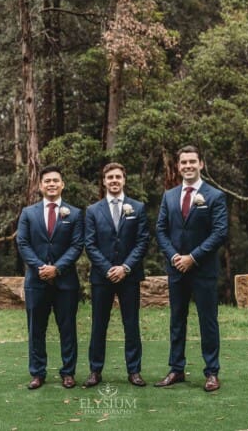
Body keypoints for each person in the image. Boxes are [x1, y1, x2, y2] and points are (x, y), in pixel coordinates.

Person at [155, 145, 228, 392]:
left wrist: (193, 257)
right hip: (176, 269)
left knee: (208, 321)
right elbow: (161, 230)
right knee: (177, 320)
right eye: (183, 162)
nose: (187, 166)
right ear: (178, 166)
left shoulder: (214, 196)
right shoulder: (169, 196)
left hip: (203, 269)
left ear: (201, 165)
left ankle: (212, 372)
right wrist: (175, 256)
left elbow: (219, 232)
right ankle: (176, 369)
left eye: (192, 162)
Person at [17, 165, 84, 390]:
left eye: (56, 180)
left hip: (65, 282)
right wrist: (40, 267)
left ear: (62, 184)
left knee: (67, 328)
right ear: (40, 185)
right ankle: (37, 373)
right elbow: (23, 243)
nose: (52, 184)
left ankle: (68, 372)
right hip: (36, 282)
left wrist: (57, 268)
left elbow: (77, 245)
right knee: (36, 329)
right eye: (47, 181)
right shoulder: (28, 213)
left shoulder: (74, 213)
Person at [83, 162, 150, 388]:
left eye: (118, 177)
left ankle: (134, 371)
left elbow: (142, 242)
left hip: (129, 276)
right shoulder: (93, 210)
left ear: (124, 180)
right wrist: (107, 268)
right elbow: (90, 244)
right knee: (99, 325)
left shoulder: (137, 208)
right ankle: (95, 370)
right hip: (102, 278)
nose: (114, 181)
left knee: (131, 324)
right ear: (104, 181)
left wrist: (125, 267)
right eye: (109, 177)